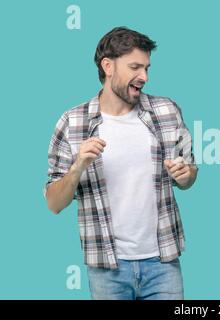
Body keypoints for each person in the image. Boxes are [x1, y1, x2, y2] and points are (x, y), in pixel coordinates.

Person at [44, 27, 197, 300]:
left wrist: (187, 175)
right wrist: (78, 166)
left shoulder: (167, 110)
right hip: (107, 268)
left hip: (164, 262)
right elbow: (54, 203)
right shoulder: (72, 122)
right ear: (108, 66)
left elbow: (189, 174)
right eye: (135, 67)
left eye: (147, 68)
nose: (144, 77)